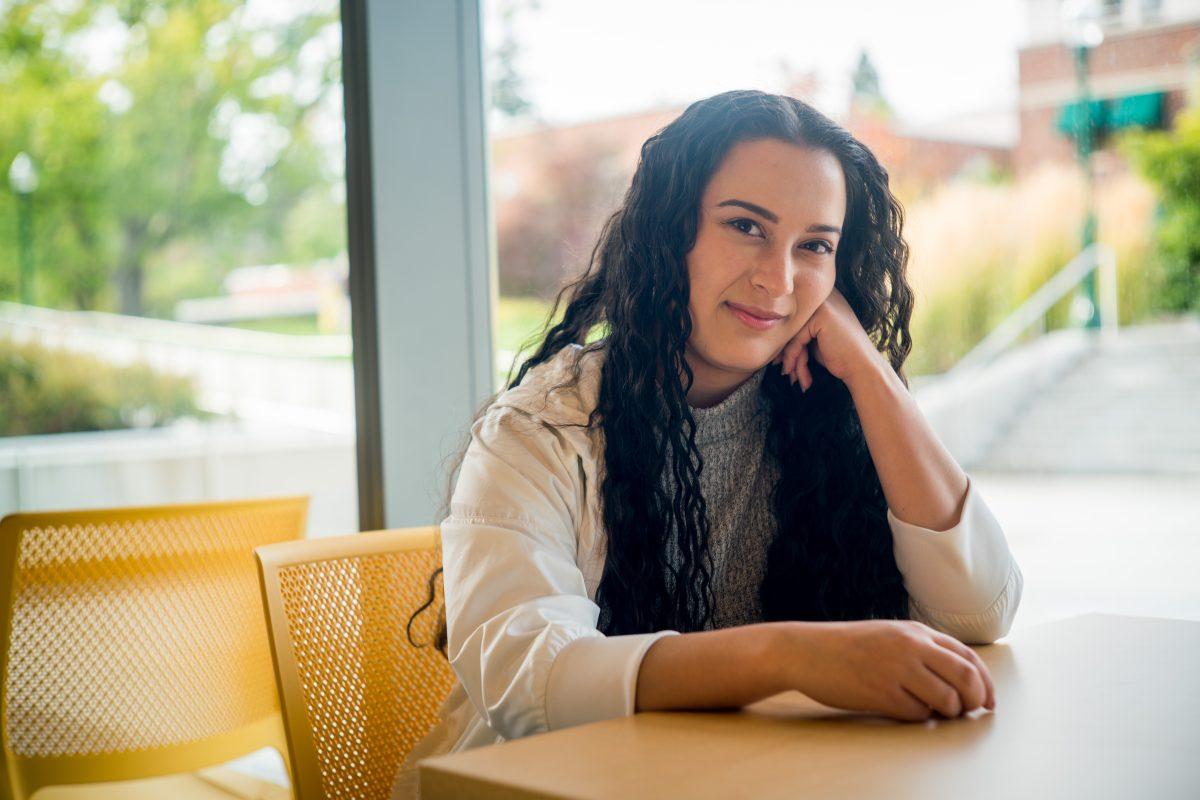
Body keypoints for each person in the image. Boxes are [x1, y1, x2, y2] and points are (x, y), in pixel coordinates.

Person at [391, 89, 1023, 799]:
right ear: (669, 231)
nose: (778, 279)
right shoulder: (540, 430)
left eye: (814, 246)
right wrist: (791, 655)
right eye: (747, 227)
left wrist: (871, 374)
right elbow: (531, 681)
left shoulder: (830, 411)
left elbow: (978, 611)